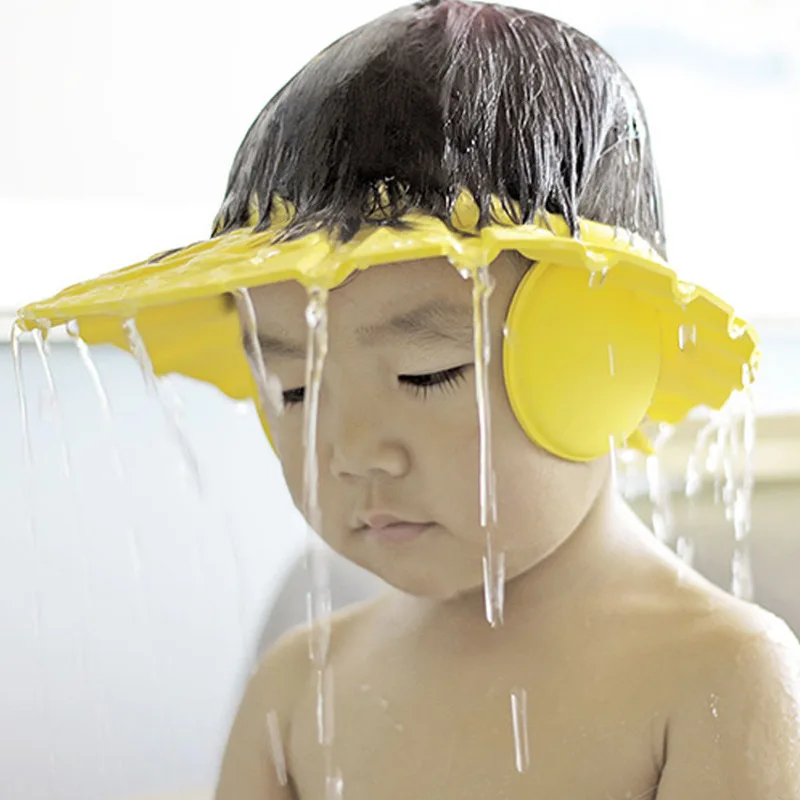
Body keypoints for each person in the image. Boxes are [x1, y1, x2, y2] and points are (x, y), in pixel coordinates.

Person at [16, 1, 800, 797]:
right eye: (292, 386)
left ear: (608, 357)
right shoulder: (295, 695)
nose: (350, 450)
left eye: (425, 374)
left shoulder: (720, 681)